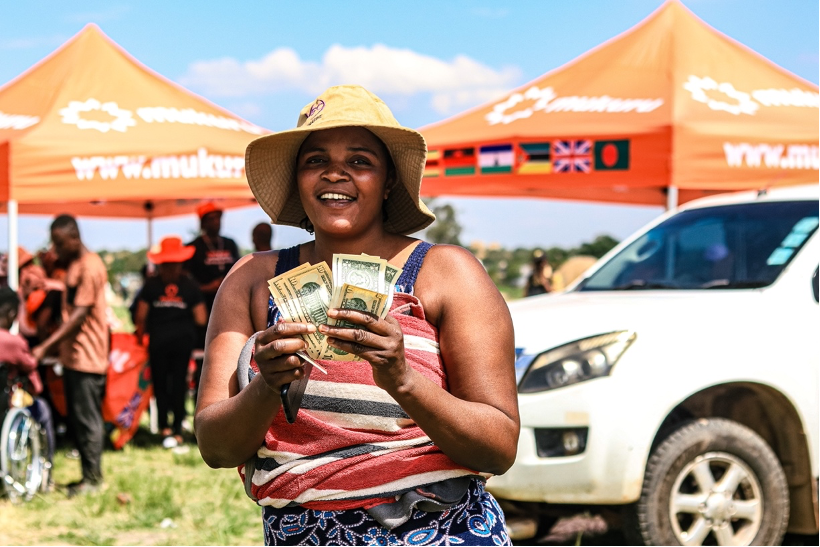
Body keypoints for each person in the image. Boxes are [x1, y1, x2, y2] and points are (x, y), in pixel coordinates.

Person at [195, 85, 519, 546]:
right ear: (297, 179)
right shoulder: (252, 280)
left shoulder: (447, 274)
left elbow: (499, 446)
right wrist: (267, 387)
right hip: (302, 534)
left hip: (442, 530)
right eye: (315, 161)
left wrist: (404, 380)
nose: (334, 174)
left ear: (388, 181)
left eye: (360, 161)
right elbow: (216, 447)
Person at [32, 214, 109, 497]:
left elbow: (78, 316)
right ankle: (87, 476)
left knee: (88, 420)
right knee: (78, 418)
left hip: (88, 355)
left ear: (75, 238)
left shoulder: (90, 267)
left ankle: (93, 479)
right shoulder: (75, 264)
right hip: (73, 356)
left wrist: (44, 347)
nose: (56, 250)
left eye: (59, 244)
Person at [133, 237, 207, 448]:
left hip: (158, 342)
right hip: (182, 343)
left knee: (160, 384)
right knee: (178, 385)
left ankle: (164, 426)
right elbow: (201, 318)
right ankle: (176, 430)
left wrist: (140, 337)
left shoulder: (151, 284)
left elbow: (140, 316)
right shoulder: (190, 285)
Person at [185, 202, 240, 404]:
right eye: (210, 218)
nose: (215, 222)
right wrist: (210, 287)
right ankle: (202, 402)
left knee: (229, 356)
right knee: (204, 360)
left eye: (218, 218)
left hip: (230, 311)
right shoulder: (192, 248)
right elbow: (187, 285)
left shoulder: (229, 244)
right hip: (203, 314)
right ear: (202, 222)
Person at [0, 286, 56, 474]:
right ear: (11, 313)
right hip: (6, 404)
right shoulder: (13, 342)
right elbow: (36, 385)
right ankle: (46, 467)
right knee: (43, 409)